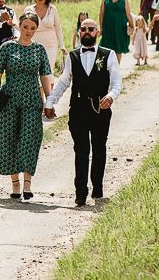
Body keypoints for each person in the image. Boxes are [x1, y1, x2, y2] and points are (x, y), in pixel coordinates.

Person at [44, 18, 122, 206]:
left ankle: (97, 188)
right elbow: (63, 82)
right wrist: (50, 102)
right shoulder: (72, 56)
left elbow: (117, 82)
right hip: (78, 109)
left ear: (97, 32)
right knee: (81, 150)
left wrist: (111, 96)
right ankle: (80, 192)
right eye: (84, 29)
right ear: (79, 32)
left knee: (99, 148)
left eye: (91, 29)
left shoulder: (108, 54)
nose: (87, 31)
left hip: (100, 109)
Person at [0, 12, 52, 201]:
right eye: (25, 27)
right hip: (9, 101)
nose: (28, 31)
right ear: (19, 26)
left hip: (32, 101)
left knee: (29, 139)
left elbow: (44, 77)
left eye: (32, 28)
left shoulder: (39, 50)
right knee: (9, 140)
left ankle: (28, 184)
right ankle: (15, 183)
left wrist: (49, 100)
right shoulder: (7, 47)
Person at [24, 0, 65, 78]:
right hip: (34, 44)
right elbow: (23, 27)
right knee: (36, 71)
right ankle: (39, 93)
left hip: (51, 44)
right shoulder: (28, 10)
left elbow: (58, 28)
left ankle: (49, 93)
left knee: (48, 70)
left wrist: (62, 45)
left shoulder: (52, 9)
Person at [98, 0, 135, 64]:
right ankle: (107, 69)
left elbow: (128, 14)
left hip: (120, 28)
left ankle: (116, 69)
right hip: (107, 27)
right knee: (106, 48)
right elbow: (101, 13)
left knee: (118, 49)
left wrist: (132, 26)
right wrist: (101, 28)